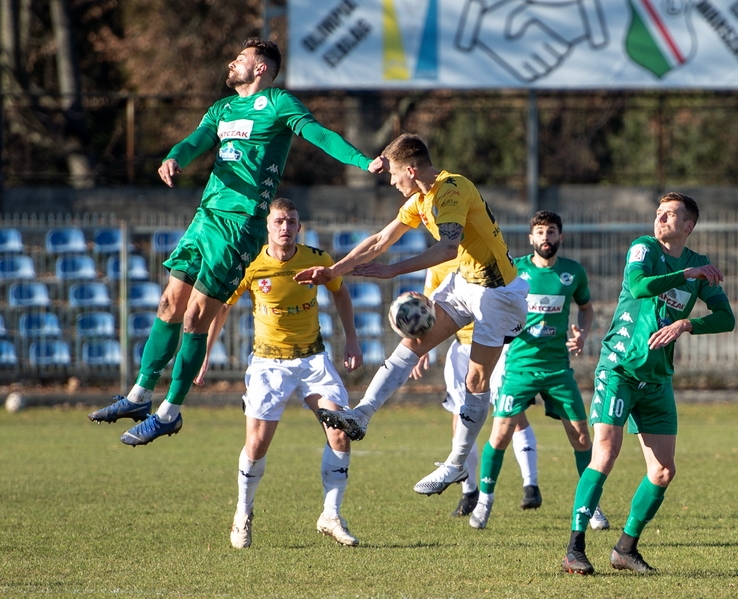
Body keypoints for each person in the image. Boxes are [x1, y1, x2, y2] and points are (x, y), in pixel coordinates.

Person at [88, 37, 385, 445]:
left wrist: (362, 160)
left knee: (195, 317)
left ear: (261, 68)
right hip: (205, 218)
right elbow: (195, 141)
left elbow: (321, 135)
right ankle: (140, 395)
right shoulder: (222, 109)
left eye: (240, 58)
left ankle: (169, 412)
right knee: (169, 304)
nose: (232, 63)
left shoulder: (279, 103)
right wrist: (174, 157)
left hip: (241, 226)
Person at [295, 133, 529, 497]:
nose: (391, 182)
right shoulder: (420, 199)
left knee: (475, 383)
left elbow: (449, 245)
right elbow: (379, 241)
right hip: (466, 282)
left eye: (392, 174)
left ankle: (456, 464)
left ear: (411, 168)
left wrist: (393, 270)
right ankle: (361, 414)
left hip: (498, 294)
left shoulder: (451, 189)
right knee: (412, 344)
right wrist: (334, 270)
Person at [561, 192, 735, 575]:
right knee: (605, 454)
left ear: (688, 226)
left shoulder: (698, 264)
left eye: (670, 214)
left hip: (656, 378)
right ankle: (574, 548)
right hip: (620, 368)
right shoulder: (644, 249)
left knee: (663, 471)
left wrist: (687, 324)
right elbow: (639, 286)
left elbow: (726, 318)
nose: (661, 219)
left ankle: (625, 547)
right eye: (658, 213)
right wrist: (687, 276)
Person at [194, 197, 364, 548]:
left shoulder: (318, 259)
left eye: (291, 221)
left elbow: (341, 295)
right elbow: (223, 310)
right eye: (279, 222)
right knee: (256, 444)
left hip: (313, 359)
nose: (285, 227)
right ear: (268, 227)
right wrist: (205, 353)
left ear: (299, 226)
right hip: (269, 363)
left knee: (340, 431)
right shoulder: (252, 264)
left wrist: (352, 340)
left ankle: (331, 515)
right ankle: (242, 514)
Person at [469, 210, 608, 531]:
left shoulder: (573, 273)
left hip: (558, 368)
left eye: (552, 232)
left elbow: (586, 309)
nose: (546, 238)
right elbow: (489, 302)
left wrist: (583, 333)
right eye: (540, 232)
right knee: (501, 433)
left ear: (561, 237)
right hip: (519, 366)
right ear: (531, 238)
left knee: (583, 437)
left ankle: (592, 505)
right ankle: (484, 502)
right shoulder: (514, 270)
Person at [413, 259, 525, 518]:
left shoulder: (488, 255)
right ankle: (470, 491)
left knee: (511, 417)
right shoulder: (437, 263)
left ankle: (529, 486)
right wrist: (422, 345)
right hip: (461, 347)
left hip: (497, 346)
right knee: (459, 419)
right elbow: (429, 309)